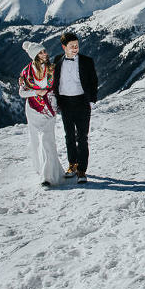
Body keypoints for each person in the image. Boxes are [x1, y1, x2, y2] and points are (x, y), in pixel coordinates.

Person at [53, 32, 98, 184]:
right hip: (65, 103)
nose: (75, 49)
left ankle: (82, 170)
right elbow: (55, 81)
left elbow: (93, 81)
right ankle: (72, 164)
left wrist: (91, 100)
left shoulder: (86, 61)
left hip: (82, 102)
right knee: (69, 136)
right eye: (71, 46)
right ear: (64, 47)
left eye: (77, 46)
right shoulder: (58, 60)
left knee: (82, 137)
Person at [19, 41, 64, 187]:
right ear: (35, 56)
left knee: (47, 139)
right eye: (41, 52)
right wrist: (36, 92)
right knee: (36, 140)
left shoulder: (52, 68)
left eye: (44, 51)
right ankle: (42, 170)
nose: (45, 54)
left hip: (49, 107)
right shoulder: (26, 72)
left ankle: (48, 176)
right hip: (33, 109)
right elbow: (22, 92)